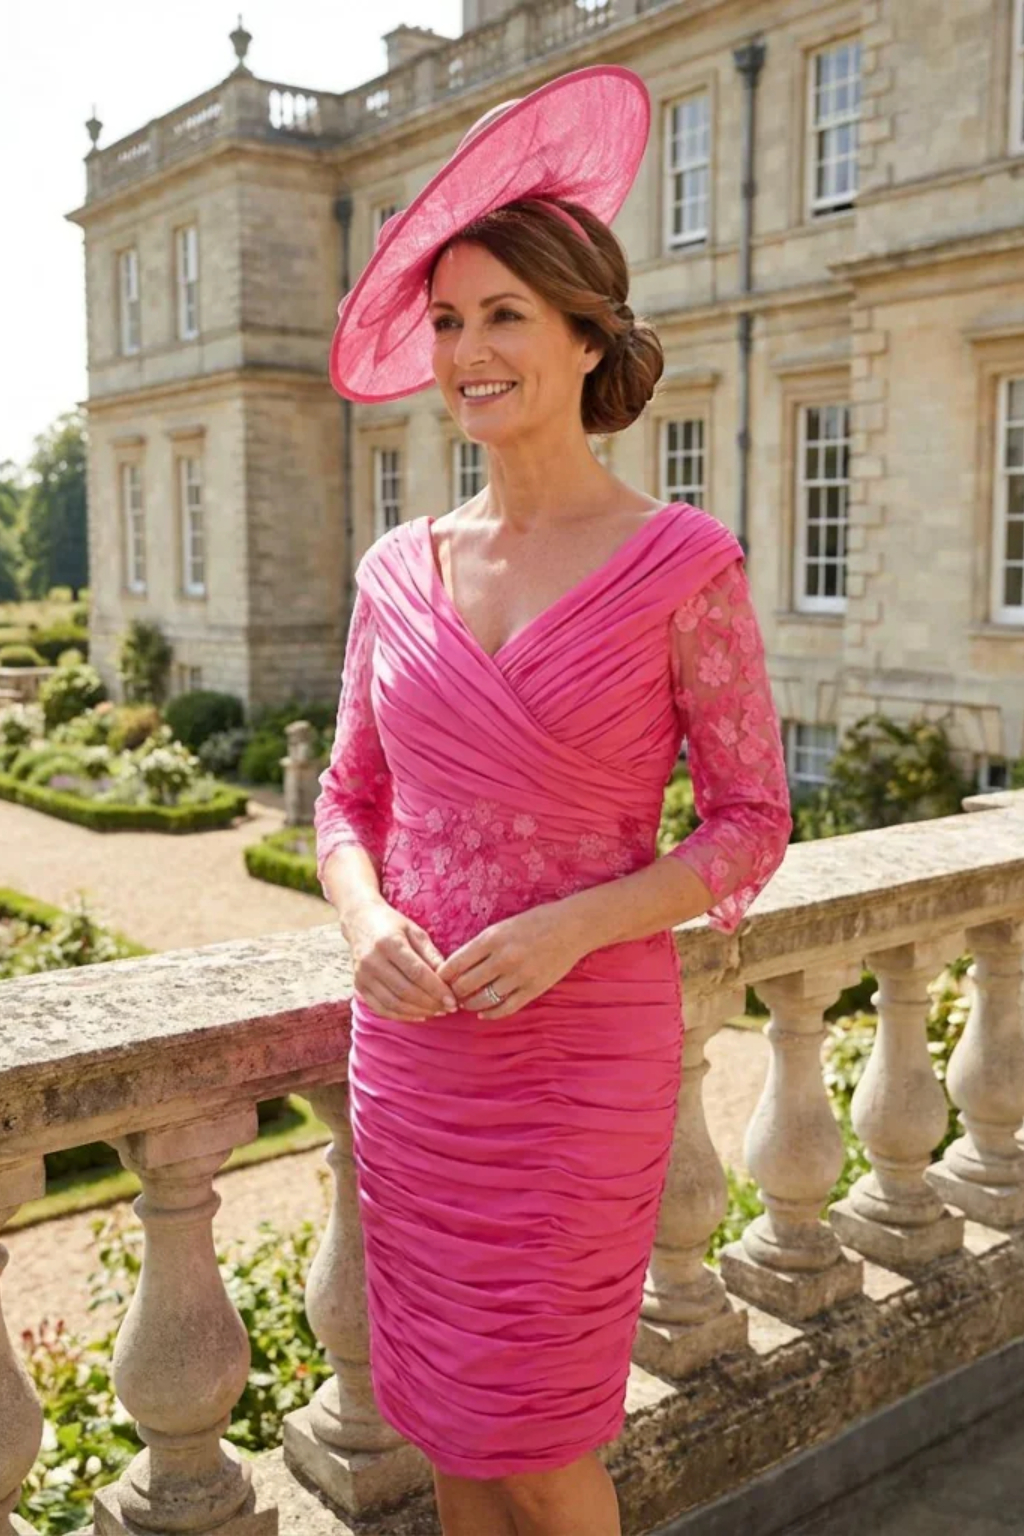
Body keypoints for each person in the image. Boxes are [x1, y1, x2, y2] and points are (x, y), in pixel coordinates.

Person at [315, 64, 792, 1536]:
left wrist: (580, 925)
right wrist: (364, 917)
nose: (465, 350)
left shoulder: (682, 563)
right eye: (447, 321)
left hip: (581, 1048)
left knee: (540, 1435)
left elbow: (751, 824)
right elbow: (343, 801)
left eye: (503, 315)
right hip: (416, 1054)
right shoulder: (396, 570)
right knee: (446, 1422)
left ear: (590, 340)